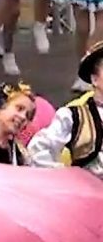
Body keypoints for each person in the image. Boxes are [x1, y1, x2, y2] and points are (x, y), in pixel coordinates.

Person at [28, 41, 103, 179]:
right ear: (95, 79)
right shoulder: (74, 115)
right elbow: (38, 149)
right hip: (89, 189)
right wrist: (66, 178)